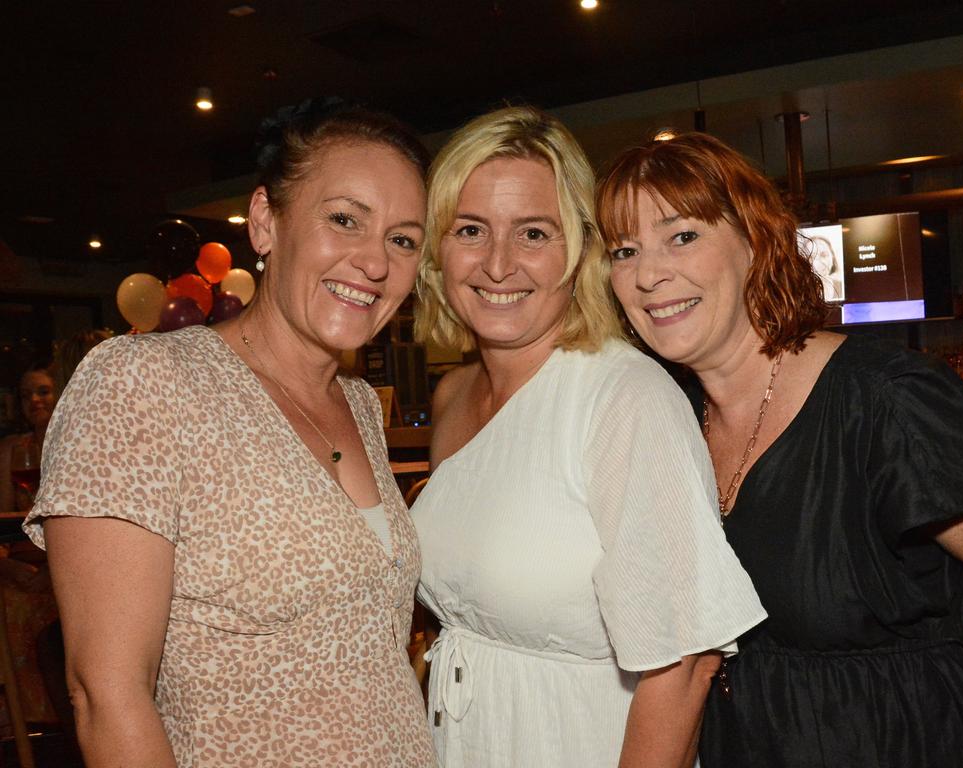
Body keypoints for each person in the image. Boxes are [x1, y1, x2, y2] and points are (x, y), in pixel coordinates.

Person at [24, 100, 437, 767]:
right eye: (343, 219)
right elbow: (106, 695)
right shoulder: (145, 384)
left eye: (403, 239)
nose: (374, 261)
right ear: (268, 222)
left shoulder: (360, 406)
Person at [596, 131, 963, 767]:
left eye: (683, 236)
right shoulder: (670, 417)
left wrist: (902, 655)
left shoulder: (881, 398)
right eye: (625, 250)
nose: (649, 274)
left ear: (752, 241)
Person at [412, 106, 765, 768]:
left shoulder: (624, 398)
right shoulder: (455, 396)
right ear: (438, 248)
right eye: (470, 230)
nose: (497, 264)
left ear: (580, 247)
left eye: (533, 233)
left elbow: (686, 661)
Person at [0, 362, 55, 512]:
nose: (34, 400)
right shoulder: (13, 448)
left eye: (43, 392)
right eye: (26, 395)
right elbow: (4, 516)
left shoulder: (79, 444)